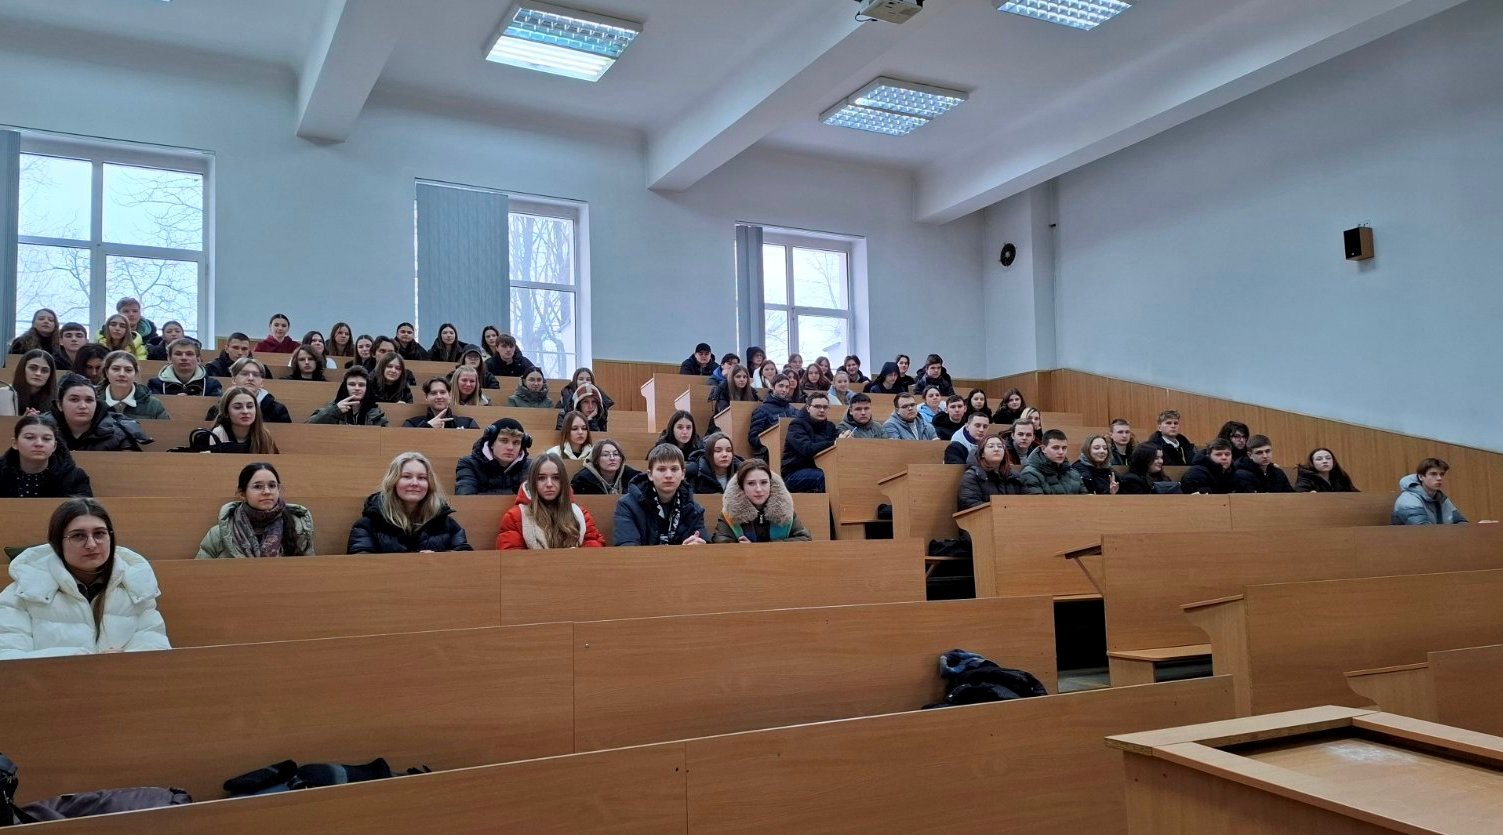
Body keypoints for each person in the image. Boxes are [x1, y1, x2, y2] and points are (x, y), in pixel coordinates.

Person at [0, 498, 170, 659]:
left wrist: (121, 661)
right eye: (78, 536)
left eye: (99, 533)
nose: (91, 544)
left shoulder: (137, 587)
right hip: (50, 681)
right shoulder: (22, 593)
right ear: (58, 543)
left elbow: (157, 651)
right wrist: (82, 662)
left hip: (122, 679)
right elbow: (7, 658)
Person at [348, 452, 473, 553]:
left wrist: (439, 559)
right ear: (393, 481)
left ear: (429, 484)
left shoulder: (448, 524)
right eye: (406, 476)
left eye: (422, 478)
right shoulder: (368, 525)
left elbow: (465, 560)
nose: (414, 483)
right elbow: (360, 564)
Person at [195, 462, 315, 558]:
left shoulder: (299, 528)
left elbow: (310, 572)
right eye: (258, 486)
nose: (267, 492)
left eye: (272, 486)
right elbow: (199, 574)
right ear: (242, 494)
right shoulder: (219, 534)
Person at [495, 454, 606, 550]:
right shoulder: (515, 516)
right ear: (533, 482)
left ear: (563, 482)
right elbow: (511, 558)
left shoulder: (580, 514)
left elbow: (595, 547)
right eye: (541, 478)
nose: (549, 484)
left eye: (556, 478)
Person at [612, 444, 708, 546]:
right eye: (661, 469)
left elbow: (704, 544)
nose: (668, 475)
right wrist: (680, 552)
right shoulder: (627, 505)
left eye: (674, 469)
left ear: (683, 474)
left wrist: (697, 546)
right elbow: (627, 547)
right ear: (650, 475)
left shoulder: (694, 509)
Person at [712, 460, 813, 543]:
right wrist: (741, 548)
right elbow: (721, 542)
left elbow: (804, 538)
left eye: (764, 482)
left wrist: (762, 548)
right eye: (751, 483)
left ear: (771, 484)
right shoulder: (729, 514)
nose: (759, 489)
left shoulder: (785, 510)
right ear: (742, 487)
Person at [51, 375, 149, 452]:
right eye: (74, 399)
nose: (83, 406)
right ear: (59, 405)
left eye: (89, 400)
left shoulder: (118, 435)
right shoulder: (44, 430)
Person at [0, 416, 92, 498]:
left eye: (46, 439)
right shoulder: (2, 473)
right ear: (15, 443)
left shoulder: (74, 477)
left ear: (54, 446)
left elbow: (82, 510)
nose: (39, 444)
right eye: (29, 437)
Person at [1392, 458, 1486, 525]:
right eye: (1433, 474)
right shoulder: (1408, 499)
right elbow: (1423, 531)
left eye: (1442, 474)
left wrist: (1477, 527)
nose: (1439, 478)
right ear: (1421, 477)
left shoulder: (1441, 498)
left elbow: (1460, 522)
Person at [455, 418, 531, 496]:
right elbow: (465, 498)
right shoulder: (469, 464)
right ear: (491, 444)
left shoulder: (531, 466)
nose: (510, 447)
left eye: (516, 442)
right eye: (504, 441)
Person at [203, 358, 291, 424]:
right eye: (244, 374)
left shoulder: (278, 410)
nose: (250, 378)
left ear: (262, 382)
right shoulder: (218, 409)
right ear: (233, 380)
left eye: (256, 375)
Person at [782, 392, 838, 492]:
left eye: (825, 407)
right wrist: (834, 443)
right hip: (795, 472)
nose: (822, 410)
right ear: (808, 408)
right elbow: (807, 449)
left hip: (823, 468)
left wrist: (844, 441)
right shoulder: (797, 425)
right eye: (817, 406)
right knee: (826, 477)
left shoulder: (830, 426)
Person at [198, 387, 280, 454]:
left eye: (250, 406)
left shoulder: (264, 436)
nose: (245, 411)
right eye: (237, 407)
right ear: (226, 412)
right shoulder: (216, 434)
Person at [957, 435, 1025, 510]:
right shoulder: (972, 476)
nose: (996, 449)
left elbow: (1028, 501)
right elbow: (969, 504)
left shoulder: (1015, 476)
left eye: (1000, 446)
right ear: (982, 453)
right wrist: (1003, 511)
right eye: (991, 446)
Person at [98, 351, 167, 421]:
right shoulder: (95, 401)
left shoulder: (154, 405)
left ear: (135, 374)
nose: (122, 374)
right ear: (106, 372)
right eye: (116, 369)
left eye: (128, 370)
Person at [308, 366, 388, 426]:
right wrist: (335, 410)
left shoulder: (375, 412)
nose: (357, 388)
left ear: (367, 388)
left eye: (361, 385)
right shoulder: (333, 407)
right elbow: (308, 425)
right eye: (352, 384)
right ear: (345, 387)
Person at [147, 338, 221, 399]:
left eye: (189, 354)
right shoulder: (155, 384)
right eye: (178, 354)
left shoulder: (212, 385)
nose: (184, 358)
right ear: (169, 359)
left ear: (198, 360)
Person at [1019, 430, 1087, 495]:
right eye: (1055, 448)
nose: (1061, 452)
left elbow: (1086, 499)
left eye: (1064, 448)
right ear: (1043, 449)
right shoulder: (1030, 473)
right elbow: (1037, 502)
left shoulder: (1073, 473)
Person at [748, 375, 799, 459]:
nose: (784, 390)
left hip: (792, 453)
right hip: (771, 455)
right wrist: (772, 438)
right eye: (781, 386)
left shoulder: (794, 410)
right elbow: (753, 439)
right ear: (772, 386)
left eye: (787, 387)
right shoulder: (762, 410)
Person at [402, 377, 478, 430]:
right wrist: (427, 426)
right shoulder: (411, 424)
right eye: (433, 393)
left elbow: (480, 446)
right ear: (426, 397)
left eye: (442, 392)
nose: (439, 397)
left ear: (450, 396)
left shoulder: (468, 423)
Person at [571, 437, 638, 496]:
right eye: (605, 455)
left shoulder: (633, 477)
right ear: (596, 460)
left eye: (616, 454)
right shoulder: (582, 481)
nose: (612, 458)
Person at [12, 349, 59, 416]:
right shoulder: (6, 393)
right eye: (32, 368)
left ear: (50, 375)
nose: (38, 373)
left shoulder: (58, 399)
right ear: (22, 369)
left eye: (44, 370)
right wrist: (23, 419)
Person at [1295, 448, 1360, 493]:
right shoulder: (1306, 475)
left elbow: (1353, 492)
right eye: (1319, 459)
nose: (1325, 461)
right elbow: (1300, 492)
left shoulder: (1340, 475)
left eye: (1328, 458)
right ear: (1312, 463)